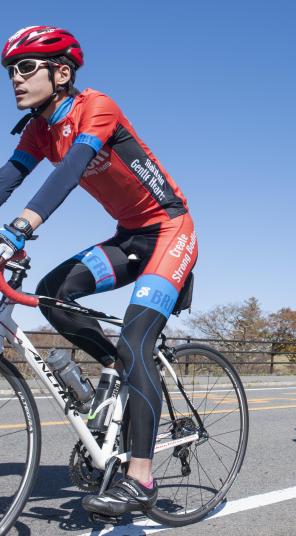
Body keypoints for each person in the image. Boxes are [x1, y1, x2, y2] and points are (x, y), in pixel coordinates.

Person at [0, 26, 198, 517]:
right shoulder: (39, 130)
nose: (15, 80)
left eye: (26, 67)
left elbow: (68, 172)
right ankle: (117, 374)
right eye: (10, 71)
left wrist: (19, 228)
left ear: (61, 72)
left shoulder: (97, 106)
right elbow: (10, 176)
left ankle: (140, 478)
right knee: (52, 295)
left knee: (136, 344)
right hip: (129, 236)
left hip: (170, 231)